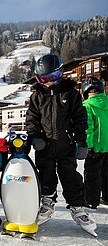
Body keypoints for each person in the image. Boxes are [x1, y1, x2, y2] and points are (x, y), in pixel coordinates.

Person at [25, 54, 96, 234]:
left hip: (67, 145)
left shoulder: (70, 93)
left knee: (70, 175)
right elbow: (31, 120)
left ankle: (78, 208)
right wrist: (35, 137)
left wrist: (81, 142)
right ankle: (47, 202)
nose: (48, 82)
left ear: (61, 73)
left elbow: (80, 118)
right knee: (46, 174)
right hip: (45, 146)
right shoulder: (36, 97)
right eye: (43, 79)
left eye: (52, 78)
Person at [81, 77, 108, 209]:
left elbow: (88, 128)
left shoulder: (88, 105)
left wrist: (89, 146)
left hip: (96, 147)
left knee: (92, 174)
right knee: (107, 173)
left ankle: (91, 200)